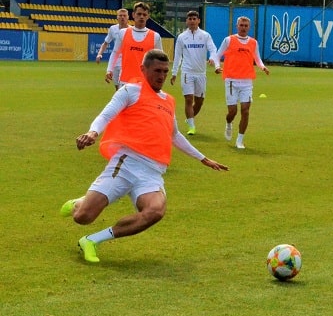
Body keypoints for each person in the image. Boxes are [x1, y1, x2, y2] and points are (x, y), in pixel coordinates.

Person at [60, 49, 229, 263]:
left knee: (155, 211)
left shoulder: (168, 100)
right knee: (83, 217)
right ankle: (80, 202)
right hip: (127, 163)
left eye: (165, 71)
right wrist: (92, 132)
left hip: (153, 172)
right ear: (143, 69)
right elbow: (106, 114)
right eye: (157, 70)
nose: (162, 76)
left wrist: (203, 158)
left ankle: (92, 240)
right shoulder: (130, 91)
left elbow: (174, 135)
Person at [212, 15, 269, 149]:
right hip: (231, 80)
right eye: (241, 25)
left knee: (245, 110)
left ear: (249, 27)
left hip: (247, 81)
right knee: (232, 111)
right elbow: (217, 55)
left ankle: (240, 140)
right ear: (237, 26)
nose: (243, 28)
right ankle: (228, 123)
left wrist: (263, 67)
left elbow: (257, 58)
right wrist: (217, 66)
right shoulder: (229, 40)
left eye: (246, 26)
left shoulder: (253, 42)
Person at [170, 10, 218, 136]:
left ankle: (189, 119)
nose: (192, 21)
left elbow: (213, 49)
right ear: (186, 21)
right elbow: (178, 56)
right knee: (188, 99)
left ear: (198, 21)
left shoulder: (205, 35)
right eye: (189, 19)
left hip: (201, 73)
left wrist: (212, 58)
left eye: (194, 19)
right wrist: (174, 72)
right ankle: (191, 127)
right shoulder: (181, 37)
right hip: (187, 72)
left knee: (199, 101)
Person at [106, 2, 163, 86]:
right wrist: (109, 69)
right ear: (133, 15)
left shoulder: (155, 36)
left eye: (144, 14)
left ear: (148, 16)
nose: (141, 17)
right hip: (125, 81)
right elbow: (115, 52)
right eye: (139, 14)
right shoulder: (123, 33)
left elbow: (160, 60)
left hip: (146, 83)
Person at [96, 8, 129, 89]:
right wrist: (99, 54)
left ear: (128, 17)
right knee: (117, 88)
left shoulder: (131, 30)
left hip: (127, 61)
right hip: (116, 61)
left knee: (125, 87)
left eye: (124, 16)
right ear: (117, 17)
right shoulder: (113, 29)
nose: (122, 17)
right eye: (120, 15)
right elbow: (105, 43)